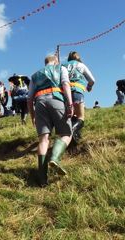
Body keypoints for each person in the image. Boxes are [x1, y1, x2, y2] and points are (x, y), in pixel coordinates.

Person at [27, 55, 73, 186]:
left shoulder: (35, 75)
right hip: (56, 98)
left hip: (39, 103)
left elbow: (29, 99)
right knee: (66, 133)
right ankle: (55, 158)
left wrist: (33, 115)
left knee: (43, 139)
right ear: (56, 61)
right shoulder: (60, 68)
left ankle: (42, 179)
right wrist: (70, 104)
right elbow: (65, 84)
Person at [64, 51, 95, 142]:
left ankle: (75, 137)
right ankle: (73, 131)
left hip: (64, 93)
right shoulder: (81, 65)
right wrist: (89, 86)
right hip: (77, 90)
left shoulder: (63, 65)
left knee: (71, 115)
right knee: (80, 117)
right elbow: (92, 80)